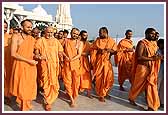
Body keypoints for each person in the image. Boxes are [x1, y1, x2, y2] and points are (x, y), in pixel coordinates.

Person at [128, 28, 161, 111]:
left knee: (151, 86)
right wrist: (152, 59)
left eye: (154, 34)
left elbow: (156, 55)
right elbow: (139, 57)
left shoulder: (154, 44)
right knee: (137, 85)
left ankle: (151, 105)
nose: (153, 35)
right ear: (146, 34)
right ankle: (131, 98)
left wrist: (159, 58)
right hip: (143, 68)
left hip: (152, 68)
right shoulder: (142, 43)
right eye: (151, 34)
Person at [9, 19, 38, 111]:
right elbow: (13, 54)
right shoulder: (16, 37)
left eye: (31, 27)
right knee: (22, 87)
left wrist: (38, 56)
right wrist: (29, 61)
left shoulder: (32, 39)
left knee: (29, 86)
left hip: (30, 67)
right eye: (28, 27)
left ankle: (25, 103)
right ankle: (24, 108)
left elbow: (31, 53)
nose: (30, 29)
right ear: (22, 27)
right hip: (20, 65)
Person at [34, 26, 65, 111]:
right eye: (48, 32)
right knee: (46, 82)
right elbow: (36, 50)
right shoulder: (41, 40)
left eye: (51, 32)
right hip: (45, 64)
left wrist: (62, 58)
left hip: (55, 65)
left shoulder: (56, 41)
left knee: (54, 83)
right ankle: (48, 101)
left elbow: (60, 51)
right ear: (45, 32)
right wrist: (39, 56)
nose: (50, 34)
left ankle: (51, 99)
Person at [90, 27, 117, 102]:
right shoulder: (97, 41)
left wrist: (109, 50)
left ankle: (105, 92)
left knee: (109, 79)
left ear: (105, 33)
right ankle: (101, 95)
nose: (99, 34)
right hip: (99, 62)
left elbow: (115, 51)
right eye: (99, 32)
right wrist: (98, 51)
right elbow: (92, 50)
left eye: (100, 32)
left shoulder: (111, 41)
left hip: (107, 62)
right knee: (99, 79)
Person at [62, 28, 83, 107]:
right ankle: (71, 99)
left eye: (77, 34)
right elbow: (61, 50)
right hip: (67, 64)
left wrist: (72, 59)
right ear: (71, 33)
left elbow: (79, 54)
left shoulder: (79, 43)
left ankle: (73, 95)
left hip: (75, 64)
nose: (75, 35)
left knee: (76, 82)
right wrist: (66, 56)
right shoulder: (66, 41)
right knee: (68, 81)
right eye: (74, 33)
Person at [79, 30, 92, 98]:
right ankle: (76, 89)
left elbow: (91, 52)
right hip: (78, 61)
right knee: (77, 76)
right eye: (84, 35)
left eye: (86, 36)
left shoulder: (88, 44)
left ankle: (88, 92)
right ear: (80, 36)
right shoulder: (77, 43)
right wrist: (83, 54)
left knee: (87, 77)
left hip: (86, 62)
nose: (85, 37)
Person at [4, 21, 13, 104]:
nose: (4, 28)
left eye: (6, 27)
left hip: (7, 62)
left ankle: (7, 96)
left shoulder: (10, 38)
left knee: (7, 79)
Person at [157, 39, 164, 108]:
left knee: (163, 87)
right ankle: (156, 101)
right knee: (157, 86)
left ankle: (162, 102)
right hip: (158, 70)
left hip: (163, 70)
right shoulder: (157, 50)